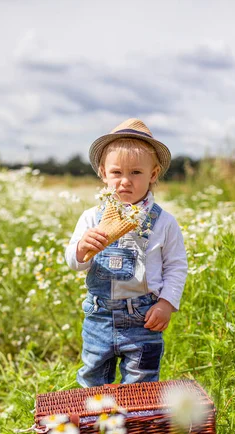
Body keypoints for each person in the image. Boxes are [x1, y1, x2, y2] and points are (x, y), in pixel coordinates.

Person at [65, 118, 188, 387]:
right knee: (93, 378)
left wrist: (166, 303)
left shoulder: (163, 222)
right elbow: (75, 263)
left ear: (153, 174)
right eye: (116, 173)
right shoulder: (91, 218)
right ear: (103, 173)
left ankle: (136, 429)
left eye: (136, 173)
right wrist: (82, 248)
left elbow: (176, 266)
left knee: (141, 384)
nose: (124, 182)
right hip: (99, 315)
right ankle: (98, 428)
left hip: (144, 317)